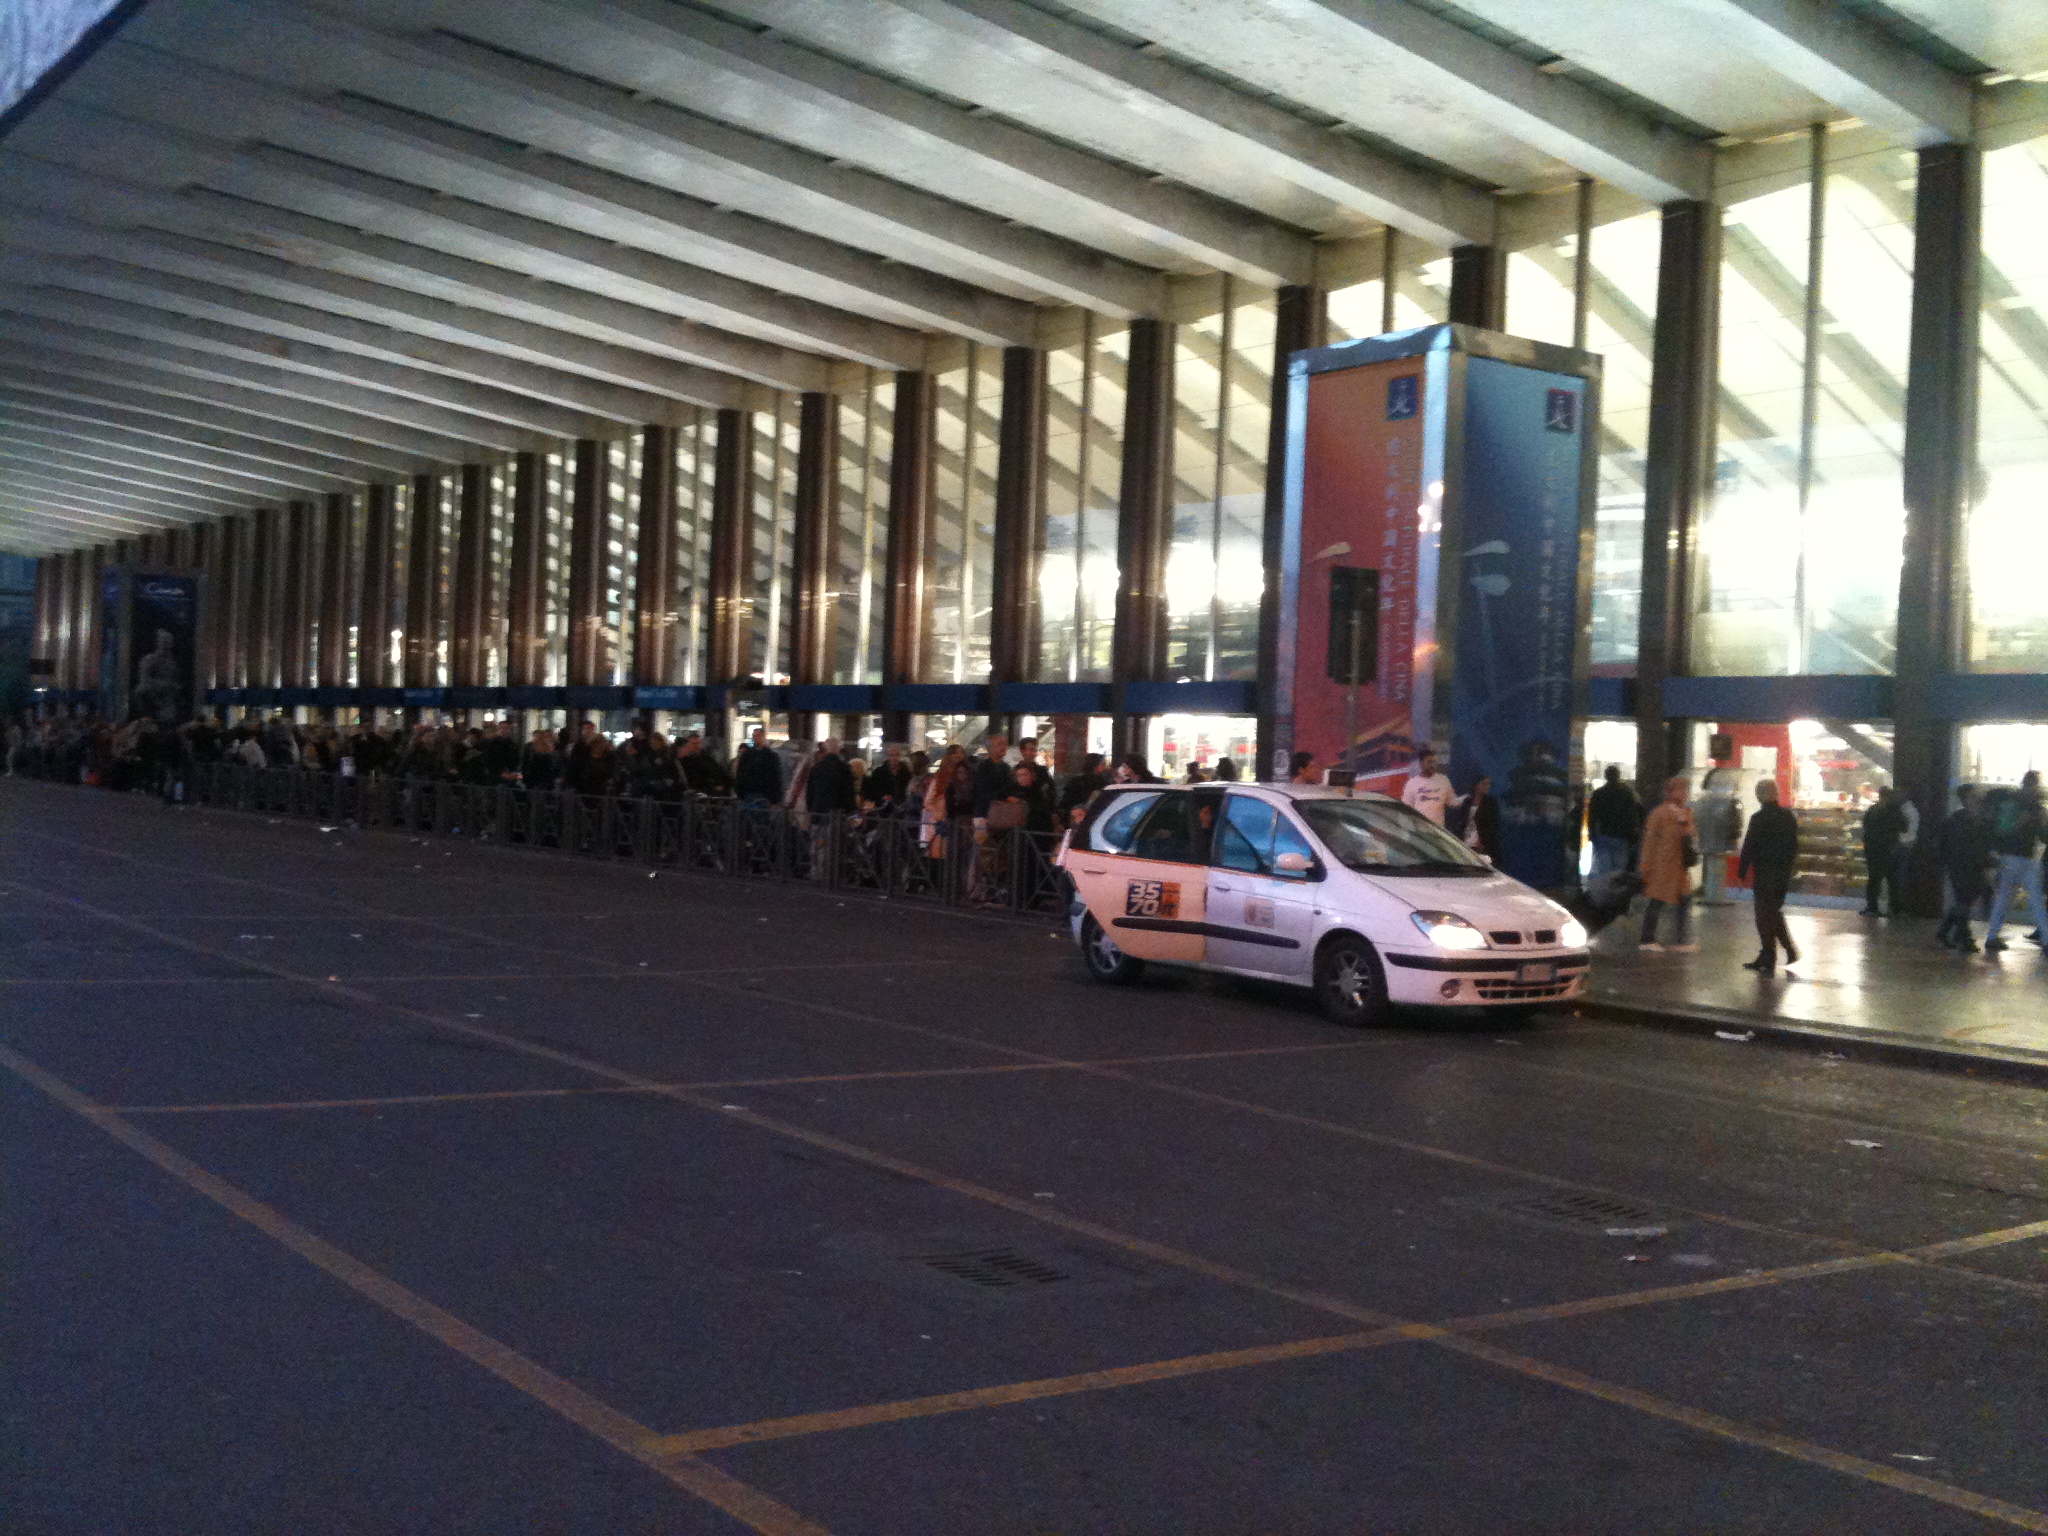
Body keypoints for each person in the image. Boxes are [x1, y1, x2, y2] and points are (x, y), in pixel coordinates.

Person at [1737, 779, 1800, 973]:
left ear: (1759, 796)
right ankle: (1778, 952)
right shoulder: (1788, 817)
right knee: (1772, 912)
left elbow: (1750, 845)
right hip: (1782, 872)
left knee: (1763, 914)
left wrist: (1742, 870)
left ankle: (1771, 955)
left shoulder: (1759, 818)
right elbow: (1793, 846)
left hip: (1764, 872)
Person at [1982, 777, 2045, 954]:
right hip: (2020, 858)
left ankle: (1993, 935)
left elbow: (2002, 831)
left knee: (2004, 898)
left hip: (2014, 858)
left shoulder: (2016, 805)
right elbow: (2005, 831)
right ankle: (2046, 938)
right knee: (2033, 900)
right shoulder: (2030, 807)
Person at [1637, 776, 1698, 953]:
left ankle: (1681, 939)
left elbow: (1691, 836)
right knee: (1657, 901)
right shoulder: (1659, 814)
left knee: (1683, 900)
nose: (1685, 793)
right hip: (1662, 865)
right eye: (1681, 789)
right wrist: (1645, 867)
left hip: (1679, 867)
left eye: (1686, 789)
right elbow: (1650, 843)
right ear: (1671, 791)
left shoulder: (1686, 813)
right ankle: (1647, 939)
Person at [1937, 785, 1993, 953]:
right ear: (1965, 800)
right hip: (1961, 866)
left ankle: (1946, 932)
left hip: (1972, 866)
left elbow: (1982, 845)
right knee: (1963, 901)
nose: (1978, 801)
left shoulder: (1976, 820)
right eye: (1974, 797)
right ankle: (1963, 937)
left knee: (1964, 901)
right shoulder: (1958, 821)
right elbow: (1952, 845)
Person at [1586, 764, 1642, 877]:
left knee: (1603, 869)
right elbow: (1633, 815)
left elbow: (1592, 816)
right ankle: (1616, 887)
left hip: (1604, 835)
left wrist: (1592, 833)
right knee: (1619, 870)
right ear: (1618, 776)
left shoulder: (1599, 793)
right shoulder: (1627, 794)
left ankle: (1604, 887)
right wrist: (1634, 834)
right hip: (1622, 836)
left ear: (1606, 776)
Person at [1860, 785, 1907, 916]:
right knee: (1893, 881)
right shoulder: (1894, 811)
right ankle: (1895, 909)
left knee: (1874, 880)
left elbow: (1865, 828)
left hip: (1873, 850)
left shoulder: (1872, 810)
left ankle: (1872, 907)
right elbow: (1904, 827)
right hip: (1890, 850)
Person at [1400, 748, 1454, 826]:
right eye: (1429, 762)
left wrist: (1466, 798)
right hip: (1419, 829)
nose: (1432, 765)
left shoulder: (1443, 780)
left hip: (1438, 829)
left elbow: (1452, 801)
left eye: (1434, 762)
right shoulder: (1412, 783)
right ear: (1420, 764)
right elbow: (1406, 809)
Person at [733, 725, 783, 806]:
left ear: (763, 737)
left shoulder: (770, 756)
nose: (756, 738)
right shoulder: (747, 755)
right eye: (754, 736)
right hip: (750, 791)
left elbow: (775, 776)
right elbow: (740, 774)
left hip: (763, 792)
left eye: (758, 736)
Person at [1455, 774, 1500, 861]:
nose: (1487, 787)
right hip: (1465, 841)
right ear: (1476, 785)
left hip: (1481, 844)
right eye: (1484, 784)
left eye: (1489, 784)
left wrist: (1482, 842)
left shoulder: (1491, 803)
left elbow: (1493, 825)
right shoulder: (1467, 802)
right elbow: (1461, 822)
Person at [970, 731, 1014, 820]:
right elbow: (982, 791)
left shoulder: (1006, 767)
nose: (1003, 747)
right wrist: (1004, 797)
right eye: (999, 744)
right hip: (985, 813)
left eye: (1005, 744)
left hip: (1004, 813)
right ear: (990, 748)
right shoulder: (982, 767)